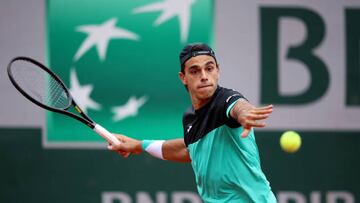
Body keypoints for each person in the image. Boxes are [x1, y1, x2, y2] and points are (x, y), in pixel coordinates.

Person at [108, 43, 277, 202]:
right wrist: (138, 145)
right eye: (195, 71)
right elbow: (189, 151)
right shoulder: (189, 117)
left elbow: (239, 106)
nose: (204, 76)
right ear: (183, 78)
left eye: (209, 68)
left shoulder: (226, 100)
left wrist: (245, 114)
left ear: (217, 71)